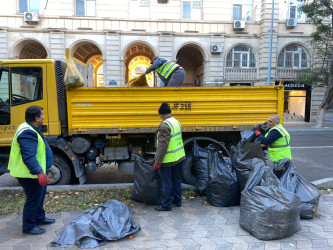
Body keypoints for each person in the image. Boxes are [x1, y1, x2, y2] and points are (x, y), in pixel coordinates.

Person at [8, 106, 55, 235]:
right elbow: (28, 156)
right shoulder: (27, 132)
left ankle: (40, 218)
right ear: (36, 118)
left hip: (34, 173)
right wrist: (39, 172)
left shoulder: (31, 128)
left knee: (39, 196)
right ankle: (29, 226)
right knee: (33, 199)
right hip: (29, 174)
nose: (44, 117)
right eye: (42, 115)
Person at [154, 102, 186, 211]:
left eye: (160, 115)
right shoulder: (176, 121)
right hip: (178, 157)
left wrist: (157, 162)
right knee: (176, 179)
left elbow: (162, 146)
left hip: (168, 159)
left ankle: (166, 205)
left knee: (166, 182)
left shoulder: (164, 125)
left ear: (162, 114)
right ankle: (178, 201)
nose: (160, 117)